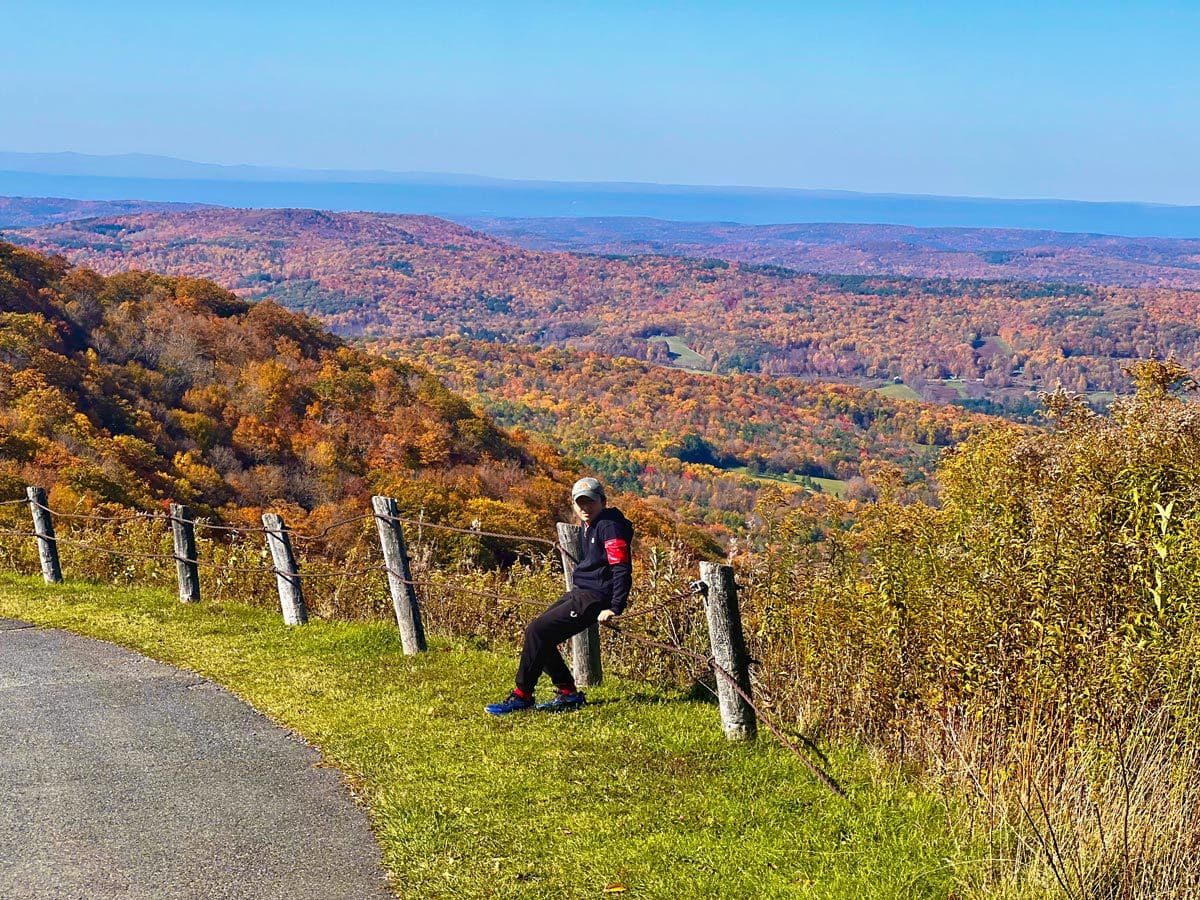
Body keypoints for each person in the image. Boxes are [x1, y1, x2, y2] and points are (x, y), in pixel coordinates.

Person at [486, 476, 634, 715]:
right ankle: (568, 694)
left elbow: (621, 568)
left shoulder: (609, 526)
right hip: (582, 591)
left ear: (603, 502)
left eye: (591, 503)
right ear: (574, 504)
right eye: (580, 503)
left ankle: (523, 695)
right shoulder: (592, 523)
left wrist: (615, 607)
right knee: (537, 633)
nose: (585, 508)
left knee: (537, 631)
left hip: (595, 597)